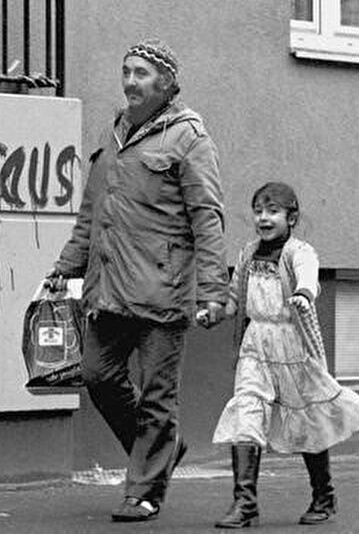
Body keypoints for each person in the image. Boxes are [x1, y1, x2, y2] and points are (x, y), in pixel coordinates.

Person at [46, 38, 229, 522]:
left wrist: (214, 291)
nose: (130, 81)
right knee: (96, 375)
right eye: (126, 71)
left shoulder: (189, 138)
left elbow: (207, 217)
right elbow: (92, 214)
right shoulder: (116, 134)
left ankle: (144, 491)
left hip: (163, 289)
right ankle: (159, 455)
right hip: (110, 288)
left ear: (166, 83)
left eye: (141, 73)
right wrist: (67, 265)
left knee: (156, 397)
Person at [211, 182, 359, 529]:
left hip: (293, 345)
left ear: (291, 217)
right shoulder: (247, 254)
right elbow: (234, 299)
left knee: (307, 419)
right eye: (258, 211)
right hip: (256, 345)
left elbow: (309, 279)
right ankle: (245, 505)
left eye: (272, 211)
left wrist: (303, 294)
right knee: (247, 411)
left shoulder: (299, 251)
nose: (263, 218)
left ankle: (324, 496)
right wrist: (214, 311)